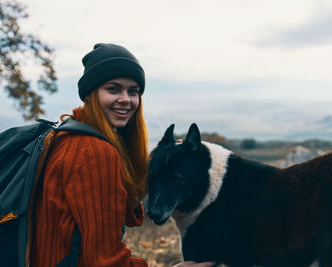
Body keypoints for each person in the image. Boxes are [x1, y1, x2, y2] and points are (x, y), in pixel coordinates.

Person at [31, 43, 214, 267]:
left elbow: (100, 211)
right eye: (113, 89)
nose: (126, 99)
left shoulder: (66, 135)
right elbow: (105, 261)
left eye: (133, 91)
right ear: (90, 93)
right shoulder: (93, 152)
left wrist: (154, 166)